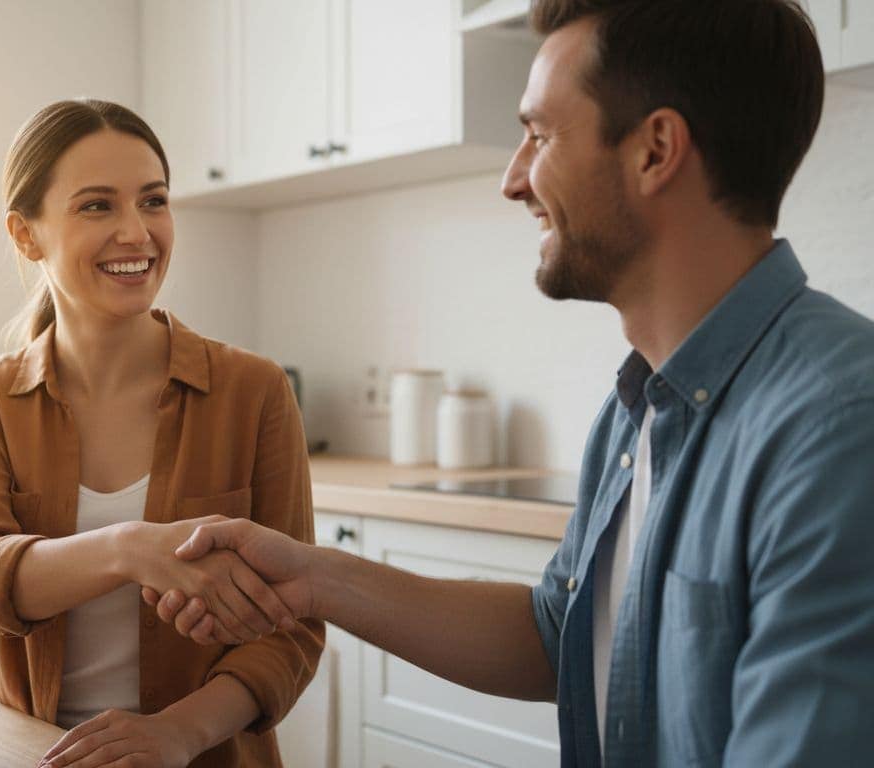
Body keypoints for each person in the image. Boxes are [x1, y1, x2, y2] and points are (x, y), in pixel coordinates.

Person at [146, 1, 874, 765]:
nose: (513, 179)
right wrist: (313, 577)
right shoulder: (637, 410)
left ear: (656, 150)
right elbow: (561, 633)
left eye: (540, 135)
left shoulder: (837, 429)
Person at [0, 98, 323, 768]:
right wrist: (127, 549)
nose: (137, 232)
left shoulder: (254, 391)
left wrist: (178, 732)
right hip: (34, 755)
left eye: (153, 201)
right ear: (27, 235)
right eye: (96, 206)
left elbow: (293, 627)